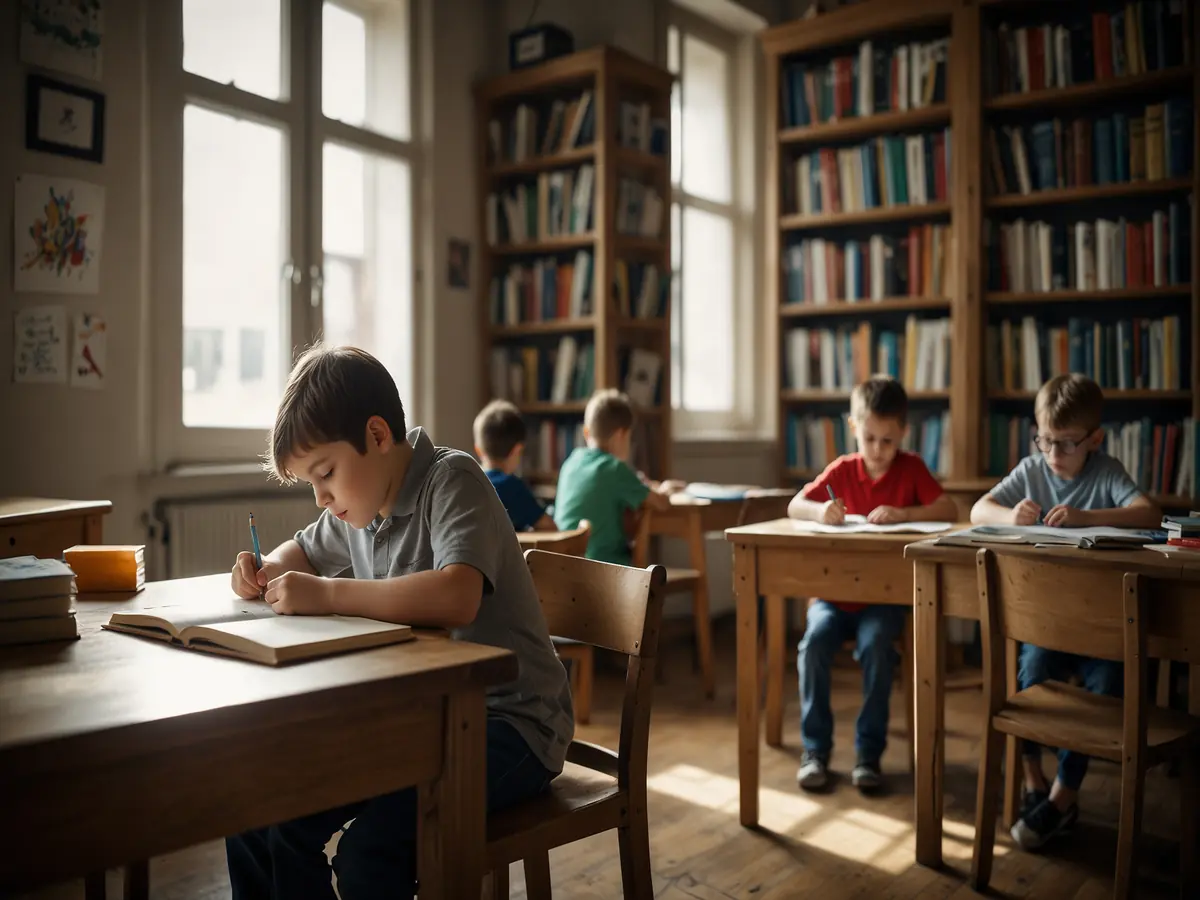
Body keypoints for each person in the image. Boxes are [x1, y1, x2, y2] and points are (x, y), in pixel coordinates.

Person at [226, 344, 573, 899]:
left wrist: (329, 593)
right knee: (260, 814)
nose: (321, 498)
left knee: (369, 855)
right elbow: (302, 553)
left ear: (378, 435)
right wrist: (262, 569)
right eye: (312, 483)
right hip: (420, 719)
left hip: (511, 726)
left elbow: (458, 595)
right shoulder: (360, 507)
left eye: (326, 474)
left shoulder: (451, 479)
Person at [970, 372, 1160, 850]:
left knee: (1108, 687)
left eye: (1067, 443)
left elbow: (1149, 514)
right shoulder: (1031, 469)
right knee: (1030, 671)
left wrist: (1086, 517)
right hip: (1046, 622)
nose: (1053, 454)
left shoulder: (1107, 471)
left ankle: (1062, 795)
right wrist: (1008, 516)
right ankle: (1034, 780)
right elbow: (978, 511)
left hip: (1102, 626)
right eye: (1045, 440)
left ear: (1094, 439)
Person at [787, 376, 956, 793]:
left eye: (888, 440)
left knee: (878, 647)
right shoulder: (843, 469)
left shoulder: (911, 468)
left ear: (904, 433)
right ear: (853, 427)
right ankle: (815, 749)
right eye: (869, 439)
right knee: (813, 646)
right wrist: (821, 511)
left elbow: (949, 508)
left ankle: (868, 753)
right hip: (832, 598)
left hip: (884, 600)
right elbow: (795, 504)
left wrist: (905, 512)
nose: (878, 450)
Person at [553, 388, 684, 565]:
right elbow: (660, 503)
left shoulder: (571, 462)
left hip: (563, 564)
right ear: (620, 435)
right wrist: (665, 490)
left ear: (586, 432)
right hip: (604, 566)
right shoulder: (614, 468)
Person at [473, 398, 555, 531]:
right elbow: (549, 527)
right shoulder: (511, 486)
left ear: (478, 450)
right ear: (517, 450)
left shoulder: (470, 483)